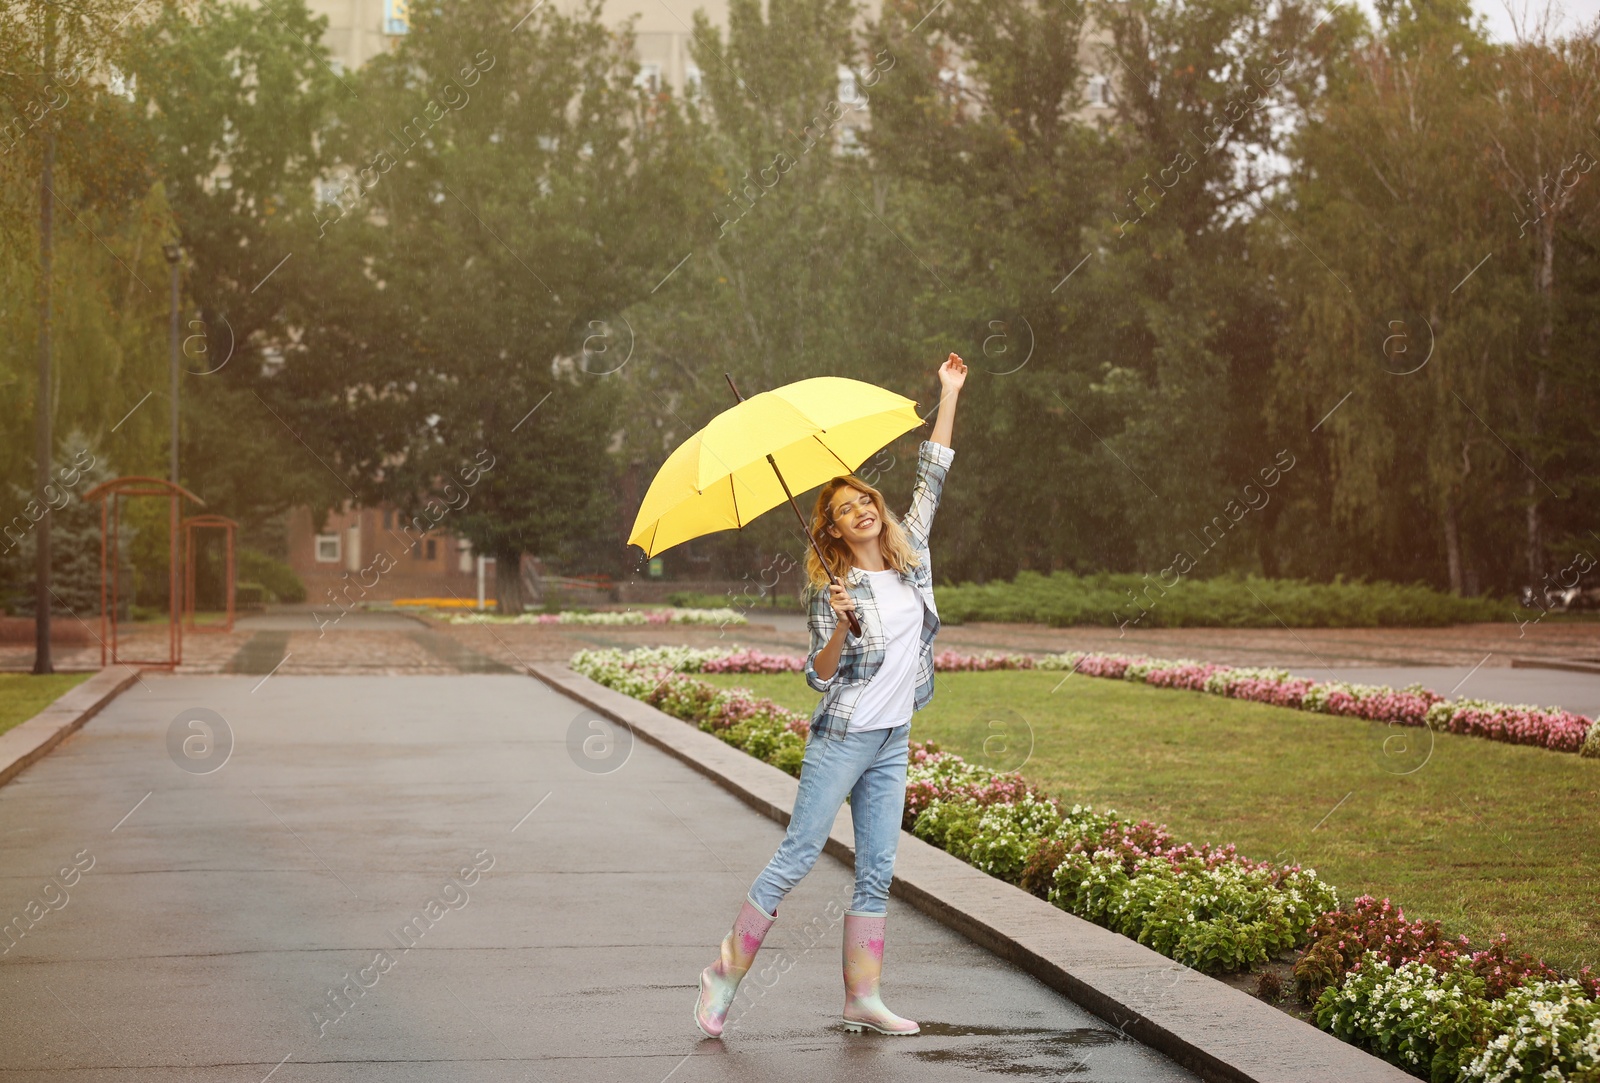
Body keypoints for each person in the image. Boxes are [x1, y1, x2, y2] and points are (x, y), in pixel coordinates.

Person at [693, 353, 968, 1038]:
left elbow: (931, 475)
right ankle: (723, 976)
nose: (862, 511)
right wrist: (841, 629)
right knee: (798, 852)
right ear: (835, 530)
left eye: (865, 501)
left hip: (893, 738)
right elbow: (816, 675)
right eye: (845, 510)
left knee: (878, 867)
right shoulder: (833, 593)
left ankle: (862, 997)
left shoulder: (913, 561)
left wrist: (948, 393)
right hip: (843, 738)